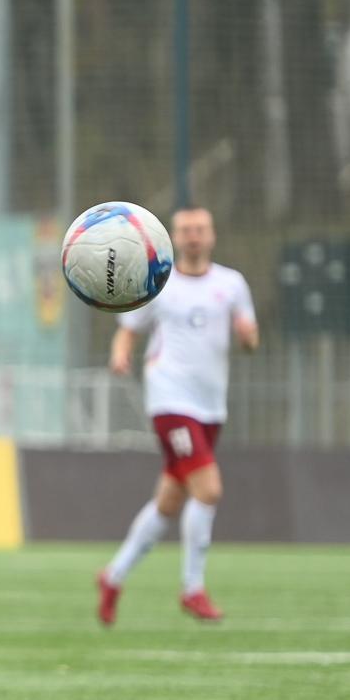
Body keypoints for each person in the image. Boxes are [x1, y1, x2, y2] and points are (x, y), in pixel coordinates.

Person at [96, 206, 257, 625]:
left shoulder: (232, 283)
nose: (193, 236)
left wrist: (247, 338)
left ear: (212, 235)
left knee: (169, 501)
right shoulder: (157, 283)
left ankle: (113, 577)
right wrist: (120, 355)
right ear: (173, 237)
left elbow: (251, 339)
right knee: (209, 489)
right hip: (170, 401)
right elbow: (128, 330)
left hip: (210, 407)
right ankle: (192, 588)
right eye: (185, 230)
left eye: (200, 229)